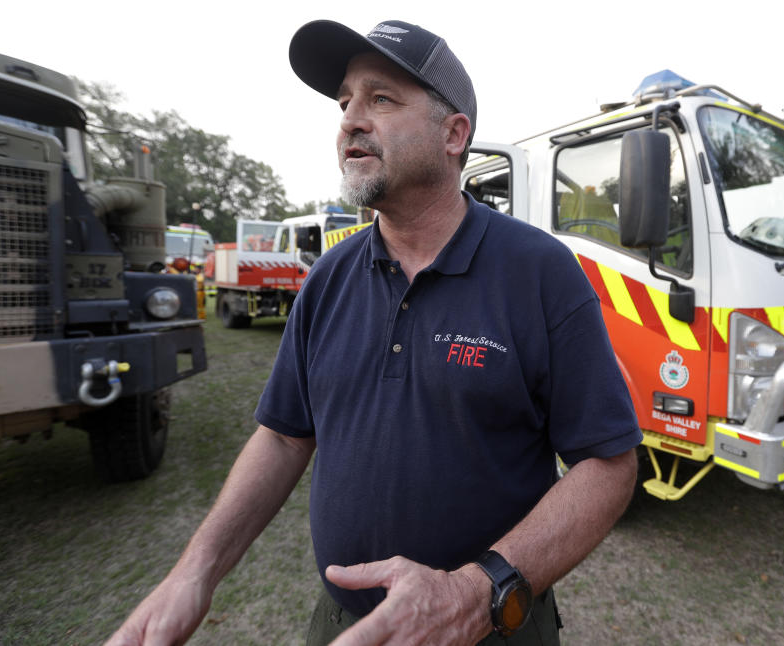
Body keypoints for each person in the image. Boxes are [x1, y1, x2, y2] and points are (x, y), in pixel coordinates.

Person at [105, 19, 641, 646]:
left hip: (489, 623)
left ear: (453, 134)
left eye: (380, 98)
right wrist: (194, 573)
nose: (350, 120)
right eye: (344, 102)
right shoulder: (330, 276)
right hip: (342, 624)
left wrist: (474, 592)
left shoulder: (540, 272)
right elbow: (282, 438)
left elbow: (609, 465)